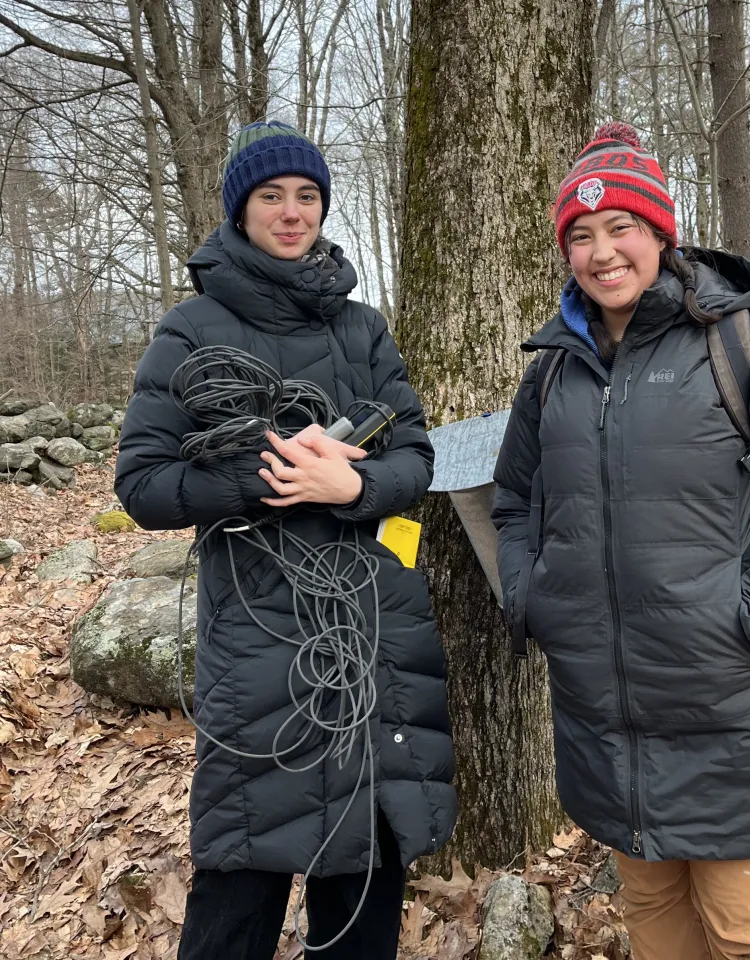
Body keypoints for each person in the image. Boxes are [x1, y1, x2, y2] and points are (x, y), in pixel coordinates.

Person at [492, 122, 750, 960]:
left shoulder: (746, 349)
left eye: (621, 228)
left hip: (732, 708)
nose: (602, 252)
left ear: (661, 235)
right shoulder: (552, 371)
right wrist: (532, 595)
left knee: (746, 930)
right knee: (652, 911)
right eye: (581, 236)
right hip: (603, 715)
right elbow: (512, 502)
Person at [115, 120, 456, 960]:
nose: (293, 211)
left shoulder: (363, 329)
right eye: (272, 196)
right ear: (240, 210)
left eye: (307, 195)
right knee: (242, 871)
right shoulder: (189, 330)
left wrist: (356, 486)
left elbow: (416, 455)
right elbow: (143, 485)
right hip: (258, 642)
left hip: (374, 631)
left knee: (365, 874)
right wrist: (265, 480)